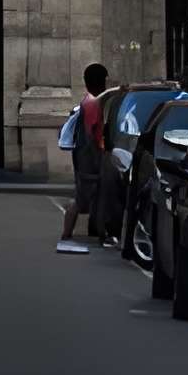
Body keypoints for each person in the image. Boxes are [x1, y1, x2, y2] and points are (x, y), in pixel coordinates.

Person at [59, 62, 111, 249]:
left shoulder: (87, 102)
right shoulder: (93, 104)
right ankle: (68, 234)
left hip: (84, 158)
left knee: (89, 197)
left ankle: (84, 233)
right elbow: (94, 134)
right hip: (91, 159)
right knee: (84, 198)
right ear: (103, 81)